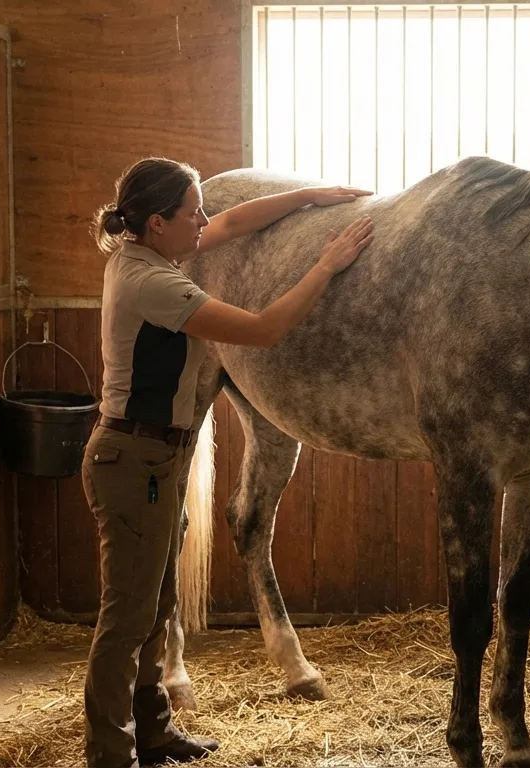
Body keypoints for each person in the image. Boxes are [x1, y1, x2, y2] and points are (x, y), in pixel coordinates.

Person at [82, 156, 374, 768]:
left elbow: (235, 221)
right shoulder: (155, 283)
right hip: (134, 459)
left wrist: (309, 196)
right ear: (159, 222)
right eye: (194, 213)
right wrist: (326, 263)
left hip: (155, 456)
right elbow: (265, 330)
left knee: (156, 605)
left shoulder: (151, 252)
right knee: (126, 619)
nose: (205, 222)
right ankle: (110, 754)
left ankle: (153, 731)